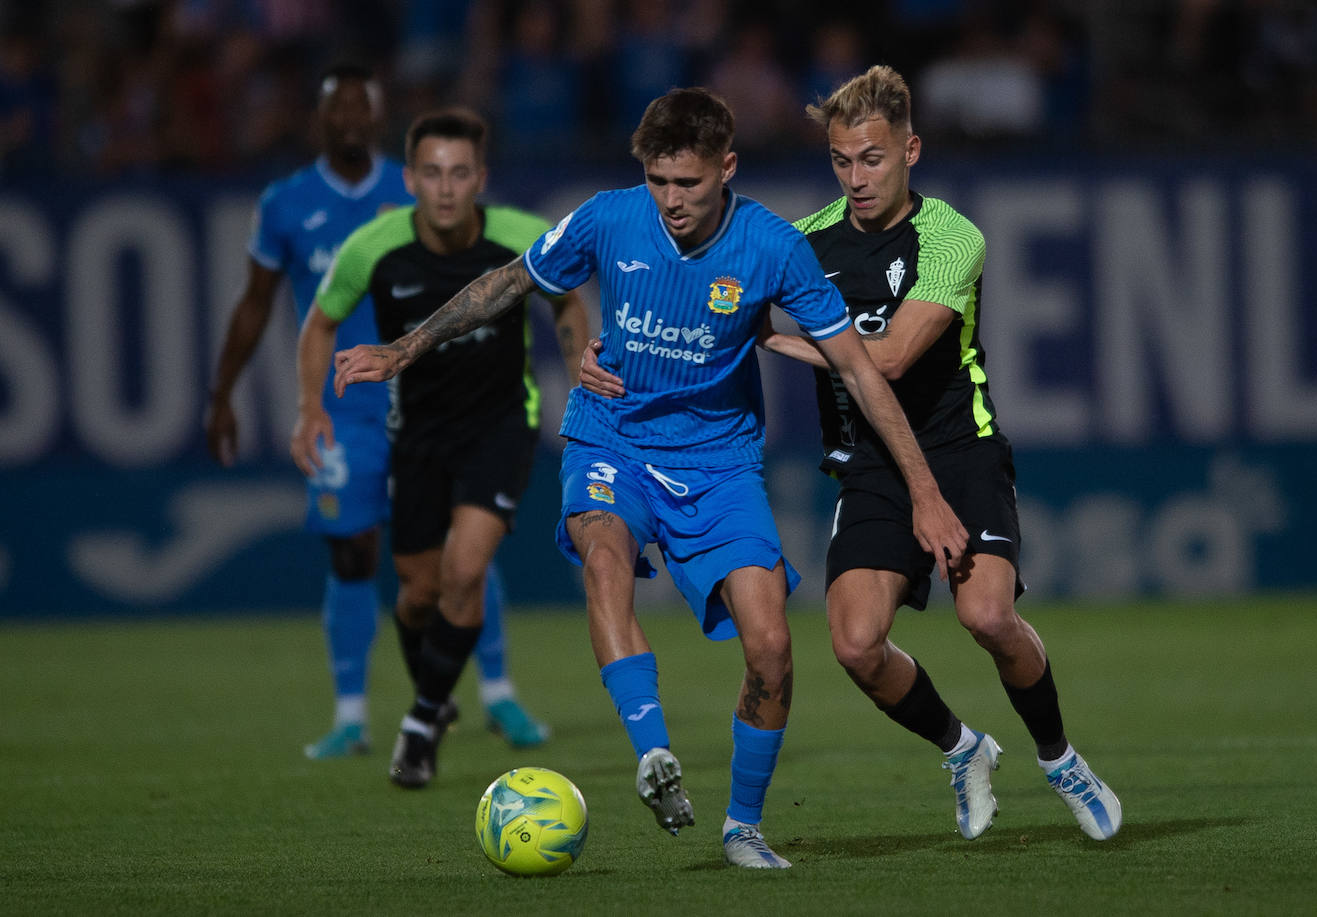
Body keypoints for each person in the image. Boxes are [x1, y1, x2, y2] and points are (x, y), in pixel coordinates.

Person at [331, 88, 967, 868]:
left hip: (720, 461)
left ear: (726, 168)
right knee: (604, 559)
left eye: (688, 184)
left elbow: (863, 376)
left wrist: (927, 492)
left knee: (771, 644)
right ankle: (652, 751)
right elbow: (507, 282)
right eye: (659, 181)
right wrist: (406, 347)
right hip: (613, 442)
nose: (671, 200)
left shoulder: (773, 248)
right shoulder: (608, 216)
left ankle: (741, 828)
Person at [767, 65, 1124, 840]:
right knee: (856, 643)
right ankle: (963, 749)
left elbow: (888, 359)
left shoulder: (953, 236)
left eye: (872, 158)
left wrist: (776, 340)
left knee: (988, 614)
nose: (856, 178)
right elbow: (711, 296)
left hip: (960, 447)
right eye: (841, 160)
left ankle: (1059, 756)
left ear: (911, 150)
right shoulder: (803, 241)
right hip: (873, 461)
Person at [206, 65, 548, 761]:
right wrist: (225, 393)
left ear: (380, 116)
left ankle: (499, 693)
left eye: (366, 110)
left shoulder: (421, 183)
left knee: (467, 548)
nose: (353, 122)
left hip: (437, 399)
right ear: (320, 118)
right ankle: (352, 713)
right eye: (340, 110)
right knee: (354, 549)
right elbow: (257, 302)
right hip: (346, 406)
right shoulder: (285, 203)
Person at [292, 107, 588, 789]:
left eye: (460, 173)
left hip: (501, 427)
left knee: (465, 569)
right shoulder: (374, 247)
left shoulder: (522, 239)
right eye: (432, 173)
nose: (447, 188)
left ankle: (422, 722)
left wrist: (581, 392)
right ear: (410, 178)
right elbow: (319, 324)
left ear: (480, 178)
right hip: (418, 436)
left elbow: (568, 303)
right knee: (419, 594)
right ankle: (437, 689)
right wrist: (309, 407)